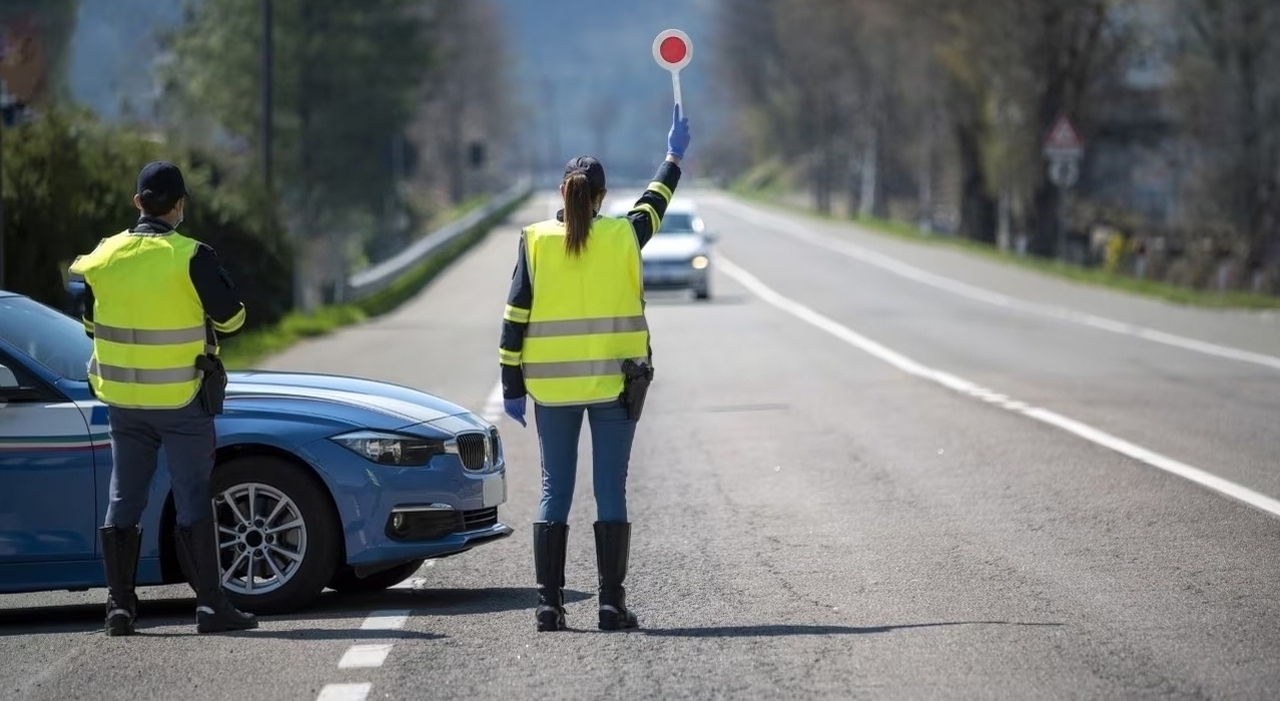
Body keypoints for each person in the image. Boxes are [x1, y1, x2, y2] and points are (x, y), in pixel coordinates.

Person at [498, 105, 691, 632]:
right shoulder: (624, 235)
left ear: (564, 193)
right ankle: (610, 604)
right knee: (611, 489)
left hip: (551, 392)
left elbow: (514, 317)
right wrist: (672, 157)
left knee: (552, 491)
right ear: (601, 197)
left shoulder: (535, 241)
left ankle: (548, 606)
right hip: (613, 386)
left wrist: (511, 385)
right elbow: (655, 202)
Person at [68, 161, 258, 636]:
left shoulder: (104, 256)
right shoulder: (191, 255)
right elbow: (233, 320)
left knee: (124, 497)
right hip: (181, 399)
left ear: (137, 203)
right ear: (179, 206)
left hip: (124, 401)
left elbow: (91, 325)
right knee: (193, 495)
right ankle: (211, 606)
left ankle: (119, 609)